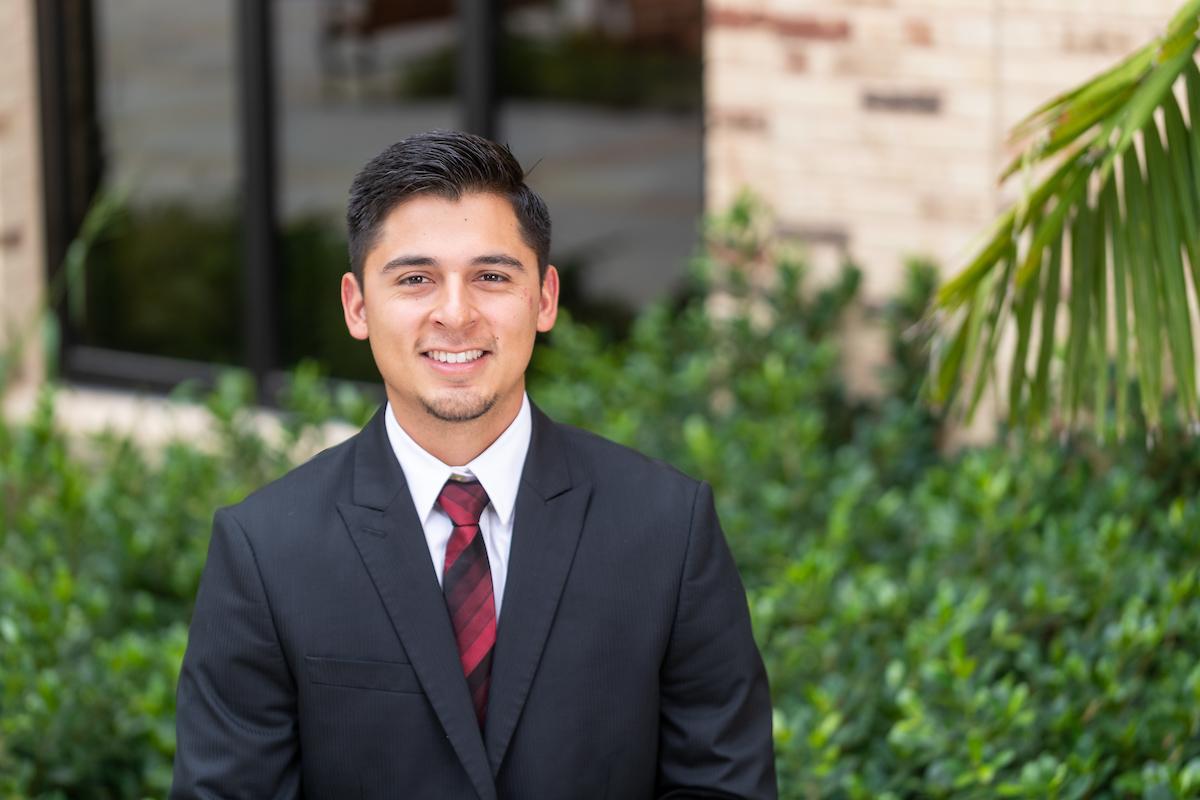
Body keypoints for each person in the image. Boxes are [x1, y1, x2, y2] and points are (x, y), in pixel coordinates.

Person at [171, 130, 777, 799]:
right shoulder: (264, 550)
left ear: (544, 298)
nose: (455, 314)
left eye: (491, 277)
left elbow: (724, 787)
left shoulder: (667, 528)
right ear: (356, 306)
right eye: (415, 279)